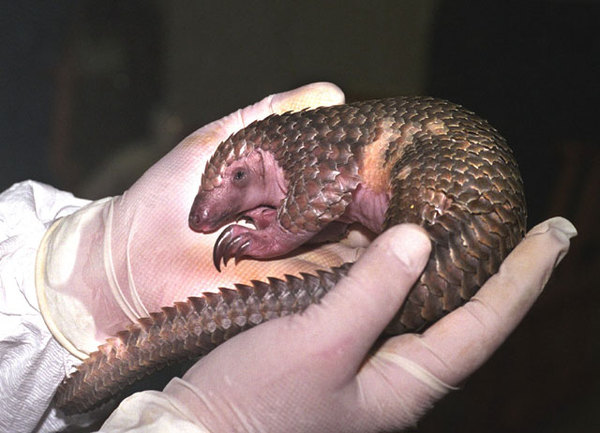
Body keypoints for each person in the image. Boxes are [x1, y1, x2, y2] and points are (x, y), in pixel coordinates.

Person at [0, 83, 576, 432]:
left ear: (266, 152)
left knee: (367, 277)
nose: (210, 214)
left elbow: (331, 192)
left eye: (238, 179)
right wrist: (86, 277)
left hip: (453, 207)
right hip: (439, 217)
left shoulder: (314, 147)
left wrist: (275, 238)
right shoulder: (321, 147)